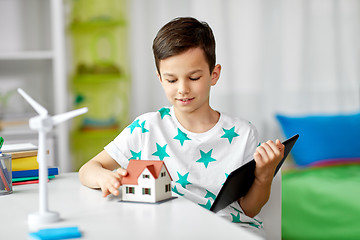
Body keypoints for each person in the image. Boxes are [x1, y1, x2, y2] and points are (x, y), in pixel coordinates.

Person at [79, 17, 284, 237]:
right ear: (160, 78)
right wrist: (103, 177)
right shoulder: (146, 128)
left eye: (194, 77)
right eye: (171, 80)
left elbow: (249, 210)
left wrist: (264, 176)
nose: (183, 89)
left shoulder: (243, 134)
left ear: (213, 75)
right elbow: (88, 169)